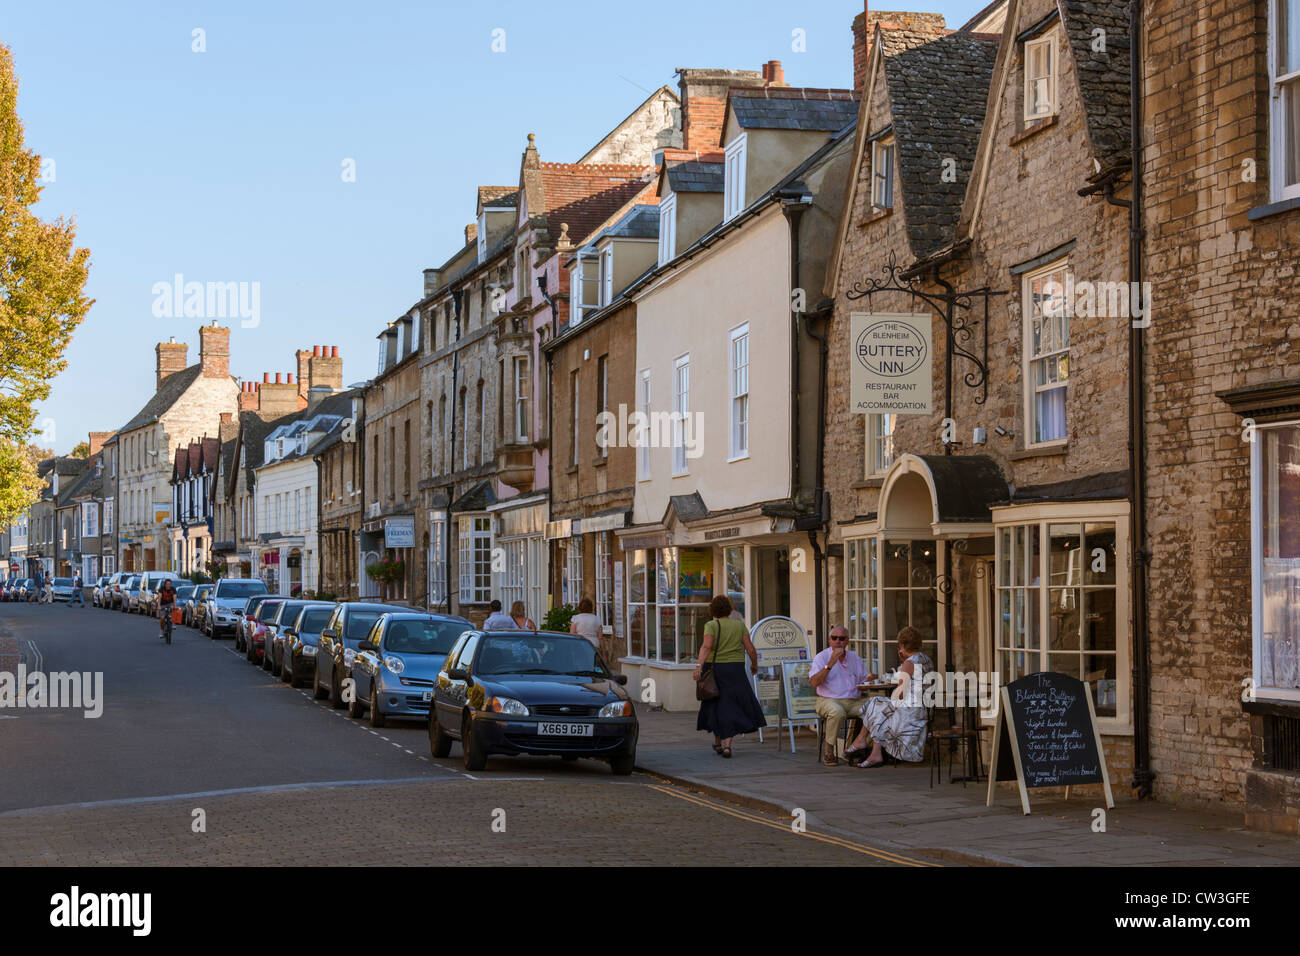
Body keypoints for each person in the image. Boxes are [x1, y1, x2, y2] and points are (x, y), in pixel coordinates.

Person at [848, 626, 934, 767]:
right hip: (923, 709)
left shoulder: (909, 663)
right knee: (879, 708)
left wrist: (903, 663)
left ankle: (861, 740)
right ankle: (874, 752)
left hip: (910, 712)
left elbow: (899, 694)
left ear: (903, 645)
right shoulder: (926, 660)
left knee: (875, 704)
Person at [692, 594, 765, 758]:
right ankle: (726, 745)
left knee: (715, 704)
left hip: (714, 669)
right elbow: (751, 649)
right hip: (735, 670)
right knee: (731, 705)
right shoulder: (739, 626)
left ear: (713, 610)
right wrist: (754, 665)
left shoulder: (711, 625)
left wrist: (698, 666)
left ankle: (718, 743)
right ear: (729, 609)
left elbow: (706, 646)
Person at [810, 625, 869, 766]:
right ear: (829, 640)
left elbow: (864, 680)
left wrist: (870, 679)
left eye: (841, 638)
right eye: (834, 638)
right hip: (828, 700)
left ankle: (853, 748)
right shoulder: (822, 657)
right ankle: (829, 750)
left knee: (878, 708)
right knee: (837, 712)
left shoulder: (854, 658)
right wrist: (830, 663)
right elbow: (814, 683)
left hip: (853, 701)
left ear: (847, 641)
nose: (838, 641)